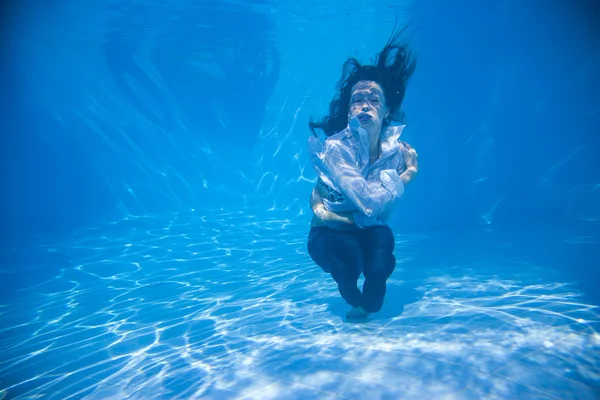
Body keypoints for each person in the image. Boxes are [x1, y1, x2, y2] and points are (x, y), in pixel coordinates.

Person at [306, 27, 419, 320]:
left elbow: (385, 213)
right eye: (357, 99)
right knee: (350, 253)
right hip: (327, 235)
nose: (365, 105)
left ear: (386, 110)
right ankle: (353, 297)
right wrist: (407, 176)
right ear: (348, 110)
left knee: (382, 254)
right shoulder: (336, 147)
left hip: (352, 225)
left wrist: (336, 214)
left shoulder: (395, 152)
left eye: (374, 99)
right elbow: (371, 205)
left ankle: (368, 306)